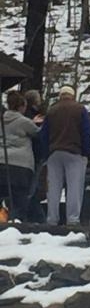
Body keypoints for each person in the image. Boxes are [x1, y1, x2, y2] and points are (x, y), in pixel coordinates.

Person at [40, 85, 90, 227]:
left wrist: (46, 154)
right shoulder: (80, 109)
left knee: (53, 189)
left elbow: (43, 135)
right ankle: (73, 220)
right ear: (72, 95)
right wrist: (86, 152)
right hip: (74, 153)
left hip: (54, 153)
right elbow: (86, 133)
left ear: (60, 96)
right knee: (74, 187)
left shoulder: (52, 111)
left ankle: (52, 219)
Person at [0, 91, 42, 221]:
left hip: (1, 161)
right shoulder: (24, 122)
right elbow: (38, 134)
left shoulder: (1, 120)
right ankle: (17, 227)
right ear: (21, 106)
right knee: (19, 201)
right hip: (20, 166)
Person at [23, 89, 46, 223]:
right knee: (31, 188)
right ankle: (34, 216)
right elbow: (38, 135)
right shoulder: (32, 117)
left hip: (31, 155)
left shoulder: (26, 115)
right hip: (34, 155)